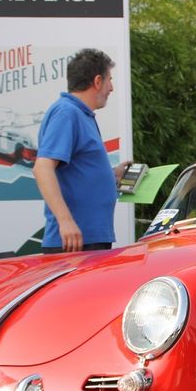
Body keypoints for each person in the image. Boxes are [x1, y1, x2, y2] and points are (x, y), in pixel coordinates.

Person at [33, 48, 132, 253]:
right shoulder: (67, 113)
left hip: (88, 239)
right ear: (97, 81)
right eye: (109, 80)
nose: (111, 88)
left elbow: (78, 171)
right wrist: (65, 221)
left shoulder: (80, 114)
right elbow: (42, 168)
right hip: (75, 242)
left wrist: (112, 175)